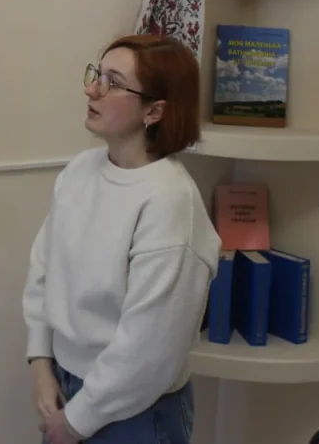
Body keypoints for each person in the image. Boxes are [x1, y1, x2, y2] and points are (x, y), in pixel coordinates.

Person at [22, 34, 222, 444]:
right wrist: (41, 362)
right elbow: (44, 270)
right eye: (97, 75)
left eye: (113, 82)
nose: (92, 90)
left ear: (154, 110)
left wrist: (77, 421)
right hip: (65, 387)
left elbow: (149, 350)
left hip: (137, 411)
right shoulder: (80, 170)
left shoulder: (169, 203)